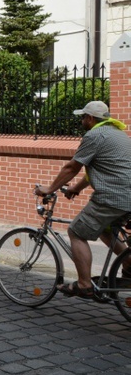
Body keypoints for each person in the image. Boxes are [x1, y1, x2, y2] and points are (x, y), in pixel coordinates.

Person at [35, 101, 131, 299]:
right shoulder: (119, 135)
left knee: (76, 232)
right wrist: (75, 188)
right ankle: (129, 263)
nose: (81, 121)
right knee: (105, 230)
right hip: (127, 197)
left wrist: (49, 189)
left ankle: (84, 284)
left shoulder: (95, 135)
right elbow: (99, 168)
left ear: (90, 118)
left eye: (83, 117)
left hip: (112, 197)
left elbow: (73, 167)